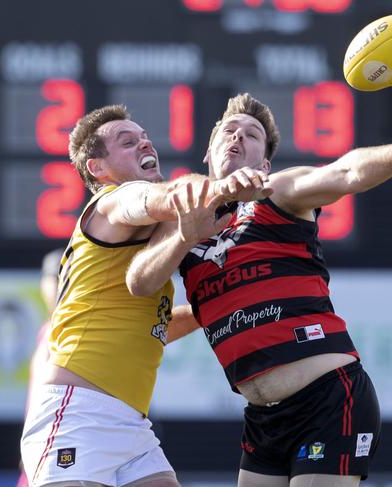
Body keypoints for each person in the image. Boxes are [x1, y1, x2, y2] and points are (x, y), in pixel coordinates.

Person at [126, 93, 392, 487]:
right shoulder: (182, 223)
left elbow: (345, 173)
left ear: (264, 162)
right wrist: (185, 236)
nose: (238, 137)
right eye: (228, 131)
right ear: (208, 152)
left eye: (251, 135)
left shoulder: (277, 191)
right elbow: (143, 285)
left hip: (328, 398)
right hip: (263, 418)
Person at [20, 104, 271, 487]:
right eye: (127, 141)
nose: (144, 142)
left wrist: (211, 308)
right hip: (76, 413)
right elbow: (159, 197)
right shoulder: (113, 200)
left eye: (143, 137)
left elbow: (152, 329)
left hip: (129, 423)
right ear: (98, 169)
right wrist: (222, 187)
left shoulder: (139, 242)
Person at [17, 248, 64, 487]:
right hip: (41, 453)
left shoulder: (77, 331)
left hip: (62, 455)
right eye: (53, 278)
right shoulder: (47, 330)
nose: (58, 285)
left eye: (66, 276)